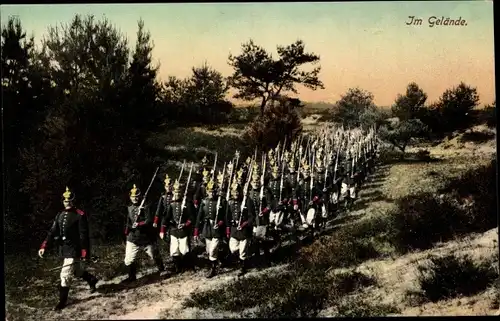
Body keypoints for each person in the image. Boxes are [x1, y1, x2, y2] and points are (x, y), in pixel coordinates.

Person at [38, 187, 98, 311]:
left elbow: (83, 236)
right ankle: (92, 280)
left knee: (64, 275)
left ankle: (62, 302)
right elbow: (52, 231)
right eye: (65, 201)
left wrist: (84, 252)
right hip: (64, 249)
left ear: (73, 201)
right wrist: (44, 246)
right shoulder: (60, 215)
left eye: (69, 201)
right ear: (63, 201)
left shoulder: (79, 215)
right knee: (77, 272)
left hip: (74, 249)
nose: (67, 203)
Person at [123, 184, 165, 283]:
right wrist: (127, 231)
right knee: (128, 259)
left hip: (146, 236)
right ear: (130, 197)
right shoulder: (129, 208)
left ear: (140, 196)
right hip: (133, 237)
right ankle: (131, 277)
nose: (135, 198)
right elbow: (127, 222)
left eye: (137, 196)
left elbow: (149, 220)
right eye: (133, 197)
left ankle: (162, 270)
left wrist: (139, 223)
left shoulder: (146, 206)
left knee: (153, 254)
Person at [160, 179, 195, 274]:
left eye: (179, 191)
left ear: (182, 192)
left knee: (184, 250)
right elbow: (166, 218)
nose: (177, 193)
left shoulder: (187, 203)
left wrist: (185, 224)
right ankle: (178, 267)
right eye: (175, 191)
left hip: (183, 230)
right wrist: (162, 230)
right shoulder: (171, 204)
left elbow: (192, 217)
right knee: (174, 250)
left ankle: (188, 266)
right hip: (173, 230)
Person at [194, 178, 225, 278]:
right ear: (207, 192)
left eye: (213, 191)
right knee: (208, 249)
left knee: (212, 249)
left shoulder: (220, 201)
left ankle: (213, 269)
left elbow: (224, 217)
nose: (211, 193)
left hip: (216, 228)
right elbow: (199, 216)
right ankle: (216, 262)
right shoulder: (204, 202)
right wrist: (196, 231)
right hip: (207, 227)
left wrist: (220, 223)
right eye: (209, 191)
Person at [226, 180, 254, 277]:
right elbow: (227, 216)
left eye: (237, 192)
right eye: (233, 192)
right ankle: (244, 257)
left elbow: (251, 217)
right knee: (233, 248)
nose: (236, 194)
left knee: (242, 251)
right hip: (234, 230)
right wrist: (228, 228)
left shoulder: (247, 201)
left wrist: (244, 224)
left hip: (244, 230)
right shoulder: (230, 202)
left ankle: (243, 266)